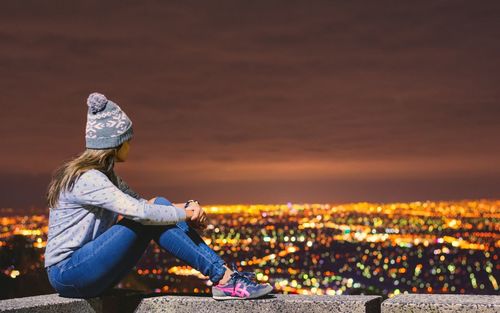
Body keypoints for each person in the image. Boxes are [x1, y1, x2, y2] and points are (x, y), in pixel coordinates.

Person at [44, 92, 273, 300]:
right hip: (68, 274)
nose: (130, 146)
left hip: (86, 272)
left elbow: (144, 204)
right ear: (115, 143)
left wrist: (190, 206)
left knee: (158, 205)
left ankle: (223, 276)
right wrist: (185, 214)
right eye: (128, 140)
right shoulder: (88, 178)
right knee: (149, 217)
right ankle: (224, 278)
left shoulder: (106, 176)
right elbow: (142, 212)